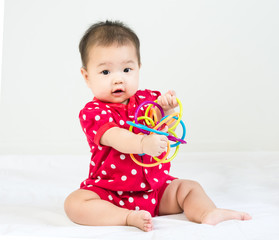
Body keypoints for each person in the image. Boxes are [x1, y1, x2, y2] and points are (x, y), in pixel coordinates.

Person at [64, 20, 251, 232]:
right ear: (87, 77)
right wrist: (143, 143)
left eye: (126, 69)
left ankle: (207, 212)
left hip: (156, 190)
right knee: (75, 203)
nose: (118, 80)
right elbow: (116, 136)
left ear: (138, 69)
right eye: (106, 72)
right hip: (111, 193)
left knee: (189, 188)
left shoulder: (148, 100)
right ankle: (126, 217)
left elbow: (164, 125)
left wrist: (168, 110)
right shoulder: (93, 112)